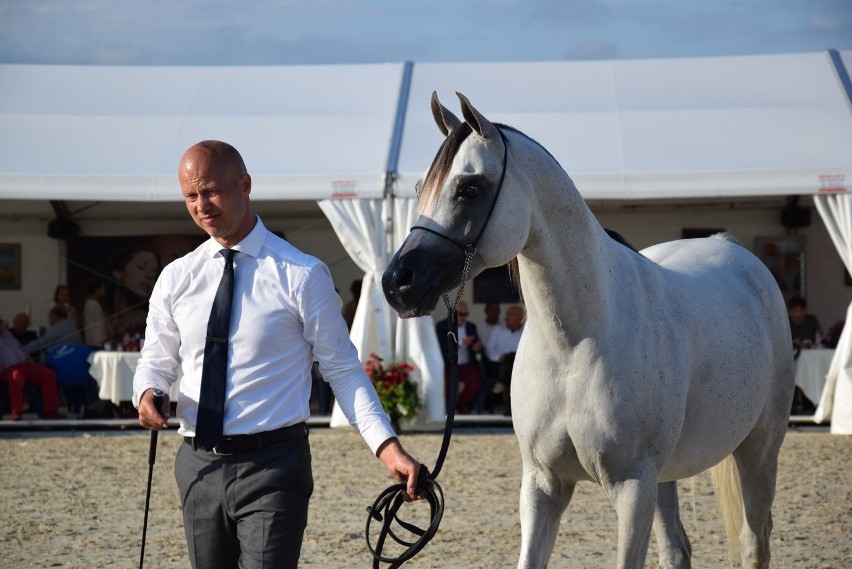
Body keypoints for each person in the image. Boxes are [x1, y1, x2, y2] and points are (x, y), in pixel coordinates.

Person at [133, 140, 421, 569]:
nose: (201, 205)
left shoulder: (303, 275)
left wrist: (387, 447)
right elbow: (156, 358)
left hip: (274, 468)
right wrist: (148, 391)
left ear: (245, 184)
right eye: (190, 196)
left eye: (210, 191)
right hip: (196, 466)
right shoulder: (176, 277)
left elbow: (342, 370)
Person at [0, 315, 65, 420]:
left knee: (48, 375)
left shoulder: (8, 335)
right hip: (6, 367)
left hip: (24, 363)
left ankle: (50, 411)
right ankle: (16, 411)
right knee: (16, 377)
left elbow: (19, 348)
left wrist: (29, 358)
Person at [435, 301, 484, 413]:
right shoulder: (443, 325)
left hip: (466, 364)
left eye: (465, 314)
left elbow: (476, 344)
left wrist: (477, 346)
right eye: (461, 314)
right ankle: (448, 411)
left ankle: (460, 406)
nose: (463, 317)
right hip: (449, 365)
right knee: (446, 386)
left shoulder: (471, 326)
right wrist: (461, 342)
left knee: (476, 382)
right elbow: (442, 345)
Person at [107, 246, 161, 336]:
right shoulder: (102, 316)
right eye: (141, 267)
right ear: (118, 272)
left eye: (154, 275)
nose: (149, 276)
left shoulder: (153, 322)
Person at [485, 304, 525, 415]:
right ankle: (510, 408)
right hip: (497, 365)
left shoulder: (524, 334)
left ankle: (501, 384)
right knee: (509, 363)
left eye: (510, 315)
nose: (506, 317)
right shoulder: (498, 330)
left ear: (519, 318)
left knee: (512, 357)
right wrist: (499, 357)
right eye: (507, 314)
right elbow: (488, 349)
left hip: (516, 368)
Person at [83, 280, 109, 348]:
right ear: (97, 290)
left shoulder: (88, 303)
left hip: (91, 340)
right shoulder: (94, 305)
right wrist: (103, 338)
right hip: (96, 342)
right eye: (103, 288)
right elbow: (99, 325)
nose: (104, 290)